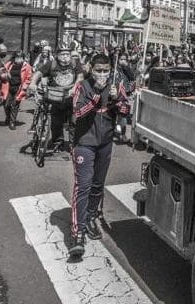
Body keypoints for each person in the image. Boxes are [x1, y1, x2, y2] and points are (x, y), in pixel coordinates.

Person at [69, 54, 131, 258]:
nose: (102, 74)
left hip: (105, 141)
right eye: (98, 70)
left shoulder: (116, 84)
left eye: (106, 71)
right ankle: (78, 233)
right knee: (83, 185)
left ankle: (92, 216)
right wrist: (96, 95)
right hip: (84, 143)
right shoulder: (82, 86)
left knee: (97, 184)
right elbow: (78, 113)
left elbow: (126, 109)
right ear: (91, 68)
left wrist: (116, 100)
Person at [33, 47, 85, 149]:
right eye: (62, 54)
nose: (65, 57)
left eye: (67, 54)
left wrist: (75, 88)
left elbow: (80, 77)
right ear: (57, 55)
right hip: (55, 96)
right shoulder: (51, 63)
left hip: (71, 97)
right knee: (56, 122)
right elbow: (38, 73)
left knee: (74, 121)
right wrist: (32, 83)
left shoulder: (75, 63)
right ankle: (57, 142)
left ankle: (73, 144)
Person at [0, 52, 32, 129]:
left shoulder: (27, 66)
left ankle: (12, 122)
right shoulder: (9, 64)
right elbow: (1, 72)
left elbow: (28, 79)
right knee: (6, 105)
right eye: (17, 57)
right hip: (8, 87)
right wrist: (3, 75)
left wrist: (25, 87)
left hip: (19, 88)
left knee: (15, 105)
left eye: (20, 57)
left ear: (23, 58)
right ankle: (8, 117)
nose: (18, 59)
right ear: (14, 57)